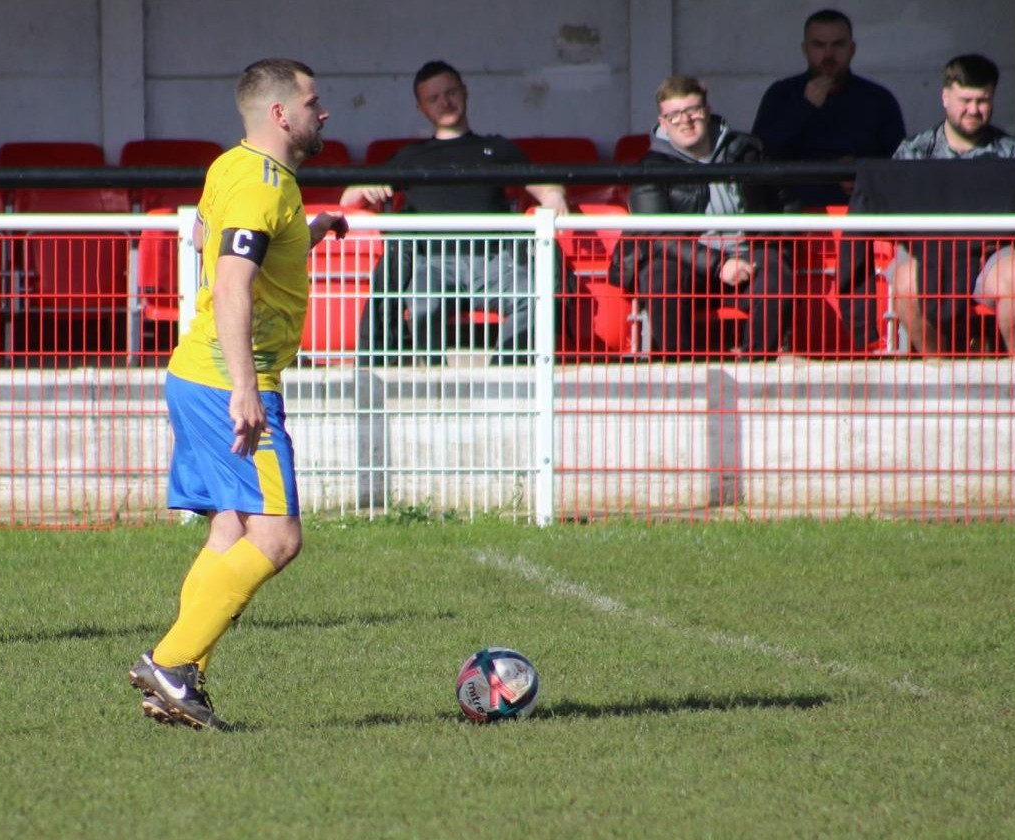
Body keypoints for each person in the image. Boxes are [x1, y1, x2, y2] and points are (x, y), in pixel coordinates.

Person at [129, 58, 346, 730]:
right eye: (313, 101)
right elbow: (229, 284)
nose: (323, 112)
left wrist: (310, 235)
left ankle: (181, 678)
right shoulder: (261, 185)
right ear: (281, 114)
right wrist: (248, 390)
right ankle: (171, 660)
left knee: (230, 527)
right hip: (229, 379)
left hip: (197, 373)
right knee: (278, 537)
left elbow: (211, 241)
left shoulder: (235, 168)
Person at [341, 60, 569, 365]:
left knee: (532, 299)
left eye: (450, 92)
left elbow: (548, 188)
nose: (444, 102)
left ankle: (505, 385)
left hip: (494, 258)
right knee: (422, 304)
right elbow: (348, 198)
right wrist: (364, 190)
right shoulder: (409, 157)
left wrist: (554, 196)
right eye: (433, 98)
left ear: (464, 92)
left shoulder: (497, 148)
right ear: (421, 107)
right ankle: (436, 389)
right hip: (431, 261)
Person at [621, 75, 798, 358]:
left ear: (706, 110)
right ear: (662, 121)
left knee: (776, 272)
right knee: (659, 277)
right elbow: (658, 237)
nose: (685, 120)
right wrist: (719, 265)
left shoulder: (747, 151)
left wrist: (775, 247)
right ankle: (679, 372)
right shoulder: (649, 168)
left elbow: (786, 204)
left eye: (692, 110)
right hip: (684, 259)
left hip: (748, 252)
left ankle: (756, 367)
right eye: (674, 114)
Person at [885, 54, 1015, 356]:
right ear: (945, 97)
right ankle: (940, 375)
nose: (973, 110)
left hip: (991, 253)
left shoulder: (1012, 150)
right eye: (965, 100)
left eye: (983, 100)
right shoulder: (914, 149)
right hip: (926, 251)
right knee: (906, 284)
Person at [751, 9, 906, 208]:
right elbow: (759, 156)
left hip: (862, 216)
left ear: (852, 49)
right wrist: (804, 107)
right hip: (794, 220)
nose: (828, 55)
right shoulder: (782, 95)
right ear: (805, 49)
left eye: (838, 45)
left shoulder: (878, 100)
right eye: (819, 45)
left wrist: (862, 169)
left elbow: (900, 164)